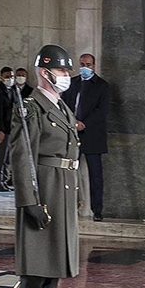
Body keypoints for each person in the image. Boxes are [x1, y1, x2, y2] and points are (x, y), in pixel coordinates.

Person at [8, 44, 80, 288]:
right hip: (43, 189)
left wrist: (77, 193)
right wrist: (29, 200)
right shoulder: (30, 108)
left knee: (56, 258)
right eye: (61, 70)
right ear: (44, 72)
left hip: (62, 188)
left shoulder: (61, 106)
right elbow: (22, 156)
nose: (65, 76)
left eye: (67, 71)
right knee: (37, 261)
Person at [61, 53, 110, 221]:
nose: (85, 67)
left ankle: (97, 209)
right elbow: (64, 104)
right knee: (69, 172)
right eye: (82, 64)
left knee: (95, 174)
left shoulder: (102, 86)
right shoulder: (71, 83)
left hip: (92, 134)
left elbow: (101, 111)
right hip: (72, 133)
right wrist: (72, 121)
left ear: (94, 66)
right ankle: (71, 206)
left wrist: (84, 123)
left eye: (88, 64)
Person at [0, 66, 15, 191]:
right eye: (7, 76)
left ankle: (4, 181)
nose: (10, 79)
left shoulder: (13, 92)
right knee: (1, 157)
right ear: (1, 77)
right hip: (2, 131)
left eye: (11, 76)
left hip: (11, 130)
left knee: (7, 159)